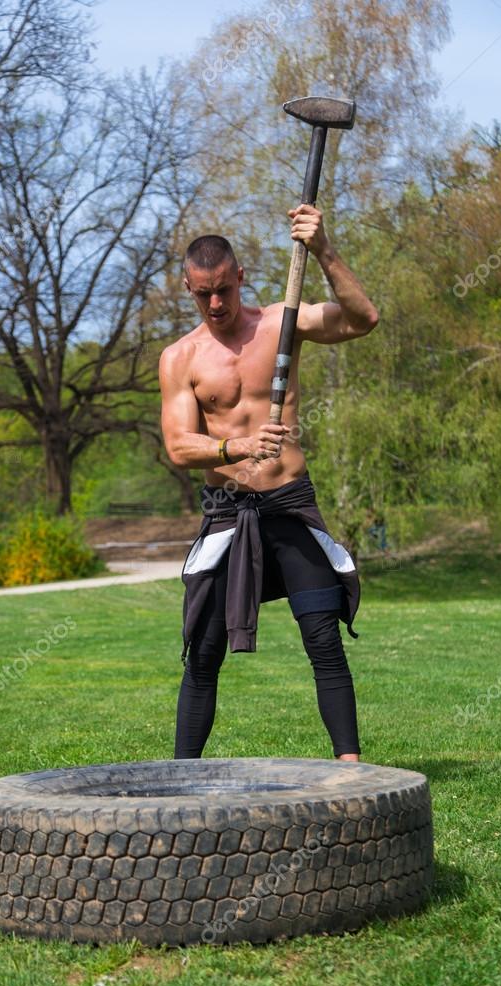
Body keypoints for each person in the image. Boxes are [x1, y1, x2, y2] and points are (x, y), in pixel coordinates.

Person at [158, 204, 379, 763]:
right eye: (202, 293)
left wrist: (324, 247)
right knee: (203, 652)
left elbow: (363, 319)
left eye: (222, 290)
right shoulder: (180, 357)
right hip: (228, 512)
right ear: (187, 287)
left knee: (324, 640)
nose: (214, 304)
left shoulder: (282, 321)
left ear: (240, 277)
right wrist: (236, 447)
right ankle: (183, 778)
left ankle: (351, 770)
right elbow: (180, 447)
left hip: (289, 504)